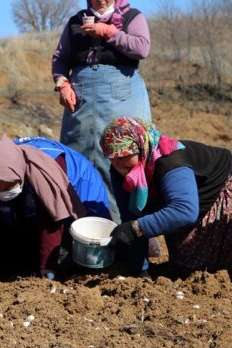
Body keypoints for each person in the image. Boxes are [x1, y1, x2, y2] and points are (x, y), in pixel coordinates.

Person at [100, 117, 232, 277]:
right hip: (198, 198)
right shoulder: (120, 172)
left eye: (125, 156)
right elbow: (132, 216)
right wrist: (139, 270)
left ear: (140, 147)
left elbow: (184, 211)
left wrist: (135, 228)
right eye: (112, 158)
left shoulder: (169, 162)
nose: (118, 164)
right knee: (187, 265)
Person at [0, 135, 95, 295]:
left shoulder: (44, 175)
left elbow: (51, 222)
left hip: (79, 189)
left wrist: (48, 273)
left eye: (9, 186)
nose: (3, 192)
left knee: (75, 250)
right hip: (21, 212)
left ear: (20, 176)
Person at [53, 0, 152, 222]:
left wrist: (108, 31)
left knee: (123, 159)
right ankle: (82, 228)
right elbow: (60, 59)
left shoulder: (132, 17)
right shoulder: (75, 22)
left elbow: (141, 48)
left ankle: (134, 229)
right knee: (79, 158)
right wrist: (63, 84)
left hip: (122, 95)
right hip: (82, 98)